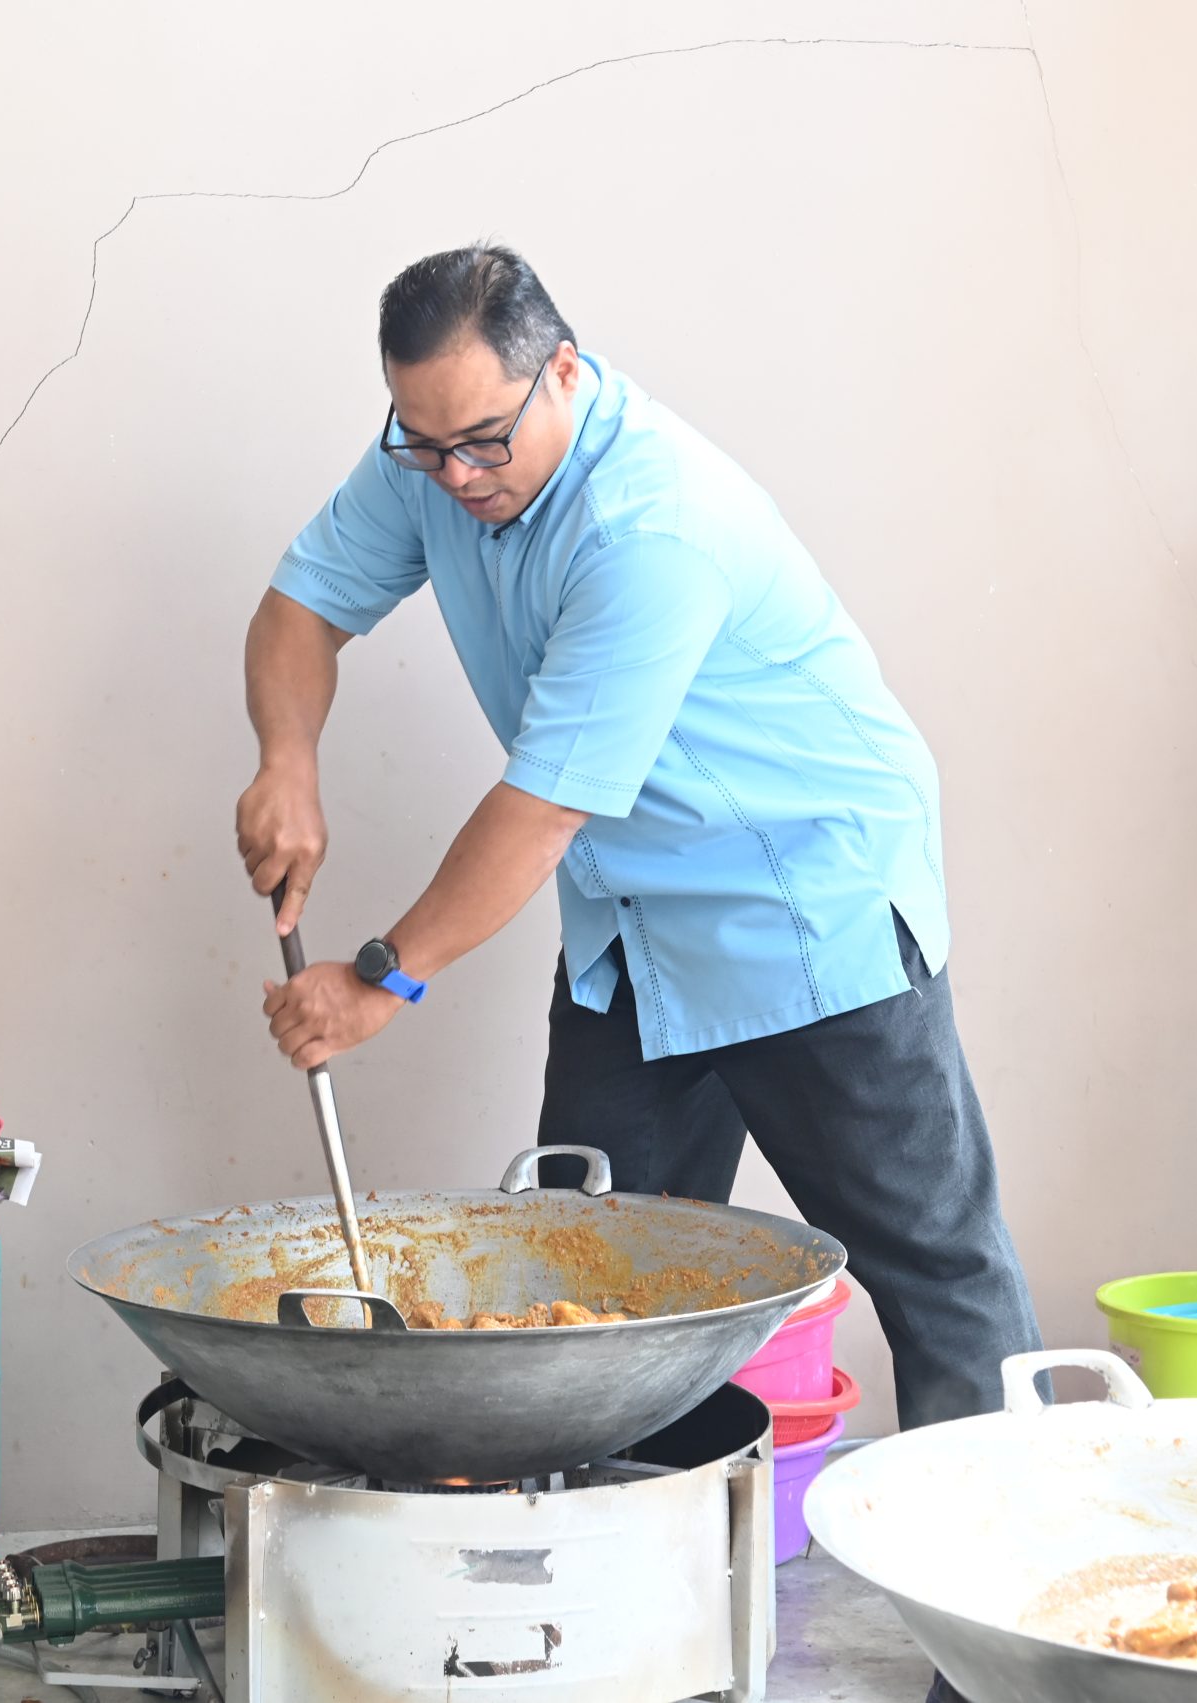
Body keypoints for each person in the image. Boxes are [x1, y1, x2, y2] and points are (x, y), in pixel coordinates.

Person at [235, 244, 1042, 1434]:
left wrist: (382, 981)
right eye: (423, 439)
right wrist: (288, 757)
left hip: (801, 900)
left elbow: (544, 805)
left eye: (481, 442)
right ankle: (611, 1575)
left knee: (932, 1268)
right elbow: (300, 606)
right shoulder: (437, 443)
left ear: (562, 370)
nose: (453, 474)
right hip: (633, 929)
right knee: (591, 1276)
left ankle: (998, 1572)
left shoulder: (651, 527)